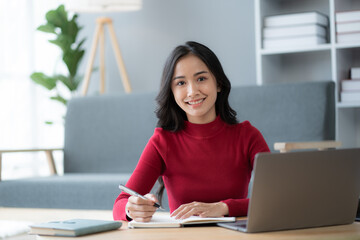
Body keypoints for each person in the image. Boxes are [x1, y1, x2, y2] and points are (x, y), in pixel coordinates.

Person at [113, 41, 270, 222]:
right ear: (171, 91)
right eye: (181, 83)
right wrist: (131, 209)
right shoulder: (162, 142)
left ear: (218, 83)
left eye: (201, 79)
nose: (192, 91)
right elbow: (120, 205)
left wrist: (222, 207)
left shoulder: (247, 136)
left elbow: (276, 197)